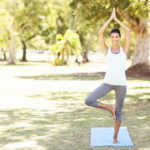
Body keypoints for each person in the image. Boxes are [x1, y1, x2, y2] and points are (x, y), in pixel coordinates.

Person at [85, 8, 131, 144]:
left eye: (117, 36)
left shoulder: (124, 49)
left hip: (121, 84)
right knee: (88, 100)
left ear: (119, 38)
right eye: (113, 36)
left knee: (120, 112)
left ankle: (115, 137)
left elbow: (128, 31)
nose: (115, 38)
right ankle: (110, 108)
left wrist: (117, 20)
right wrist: (110, 19)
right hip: (108, 83)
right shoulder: (106, 50)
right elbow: (100, 32)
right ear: (110, 38)